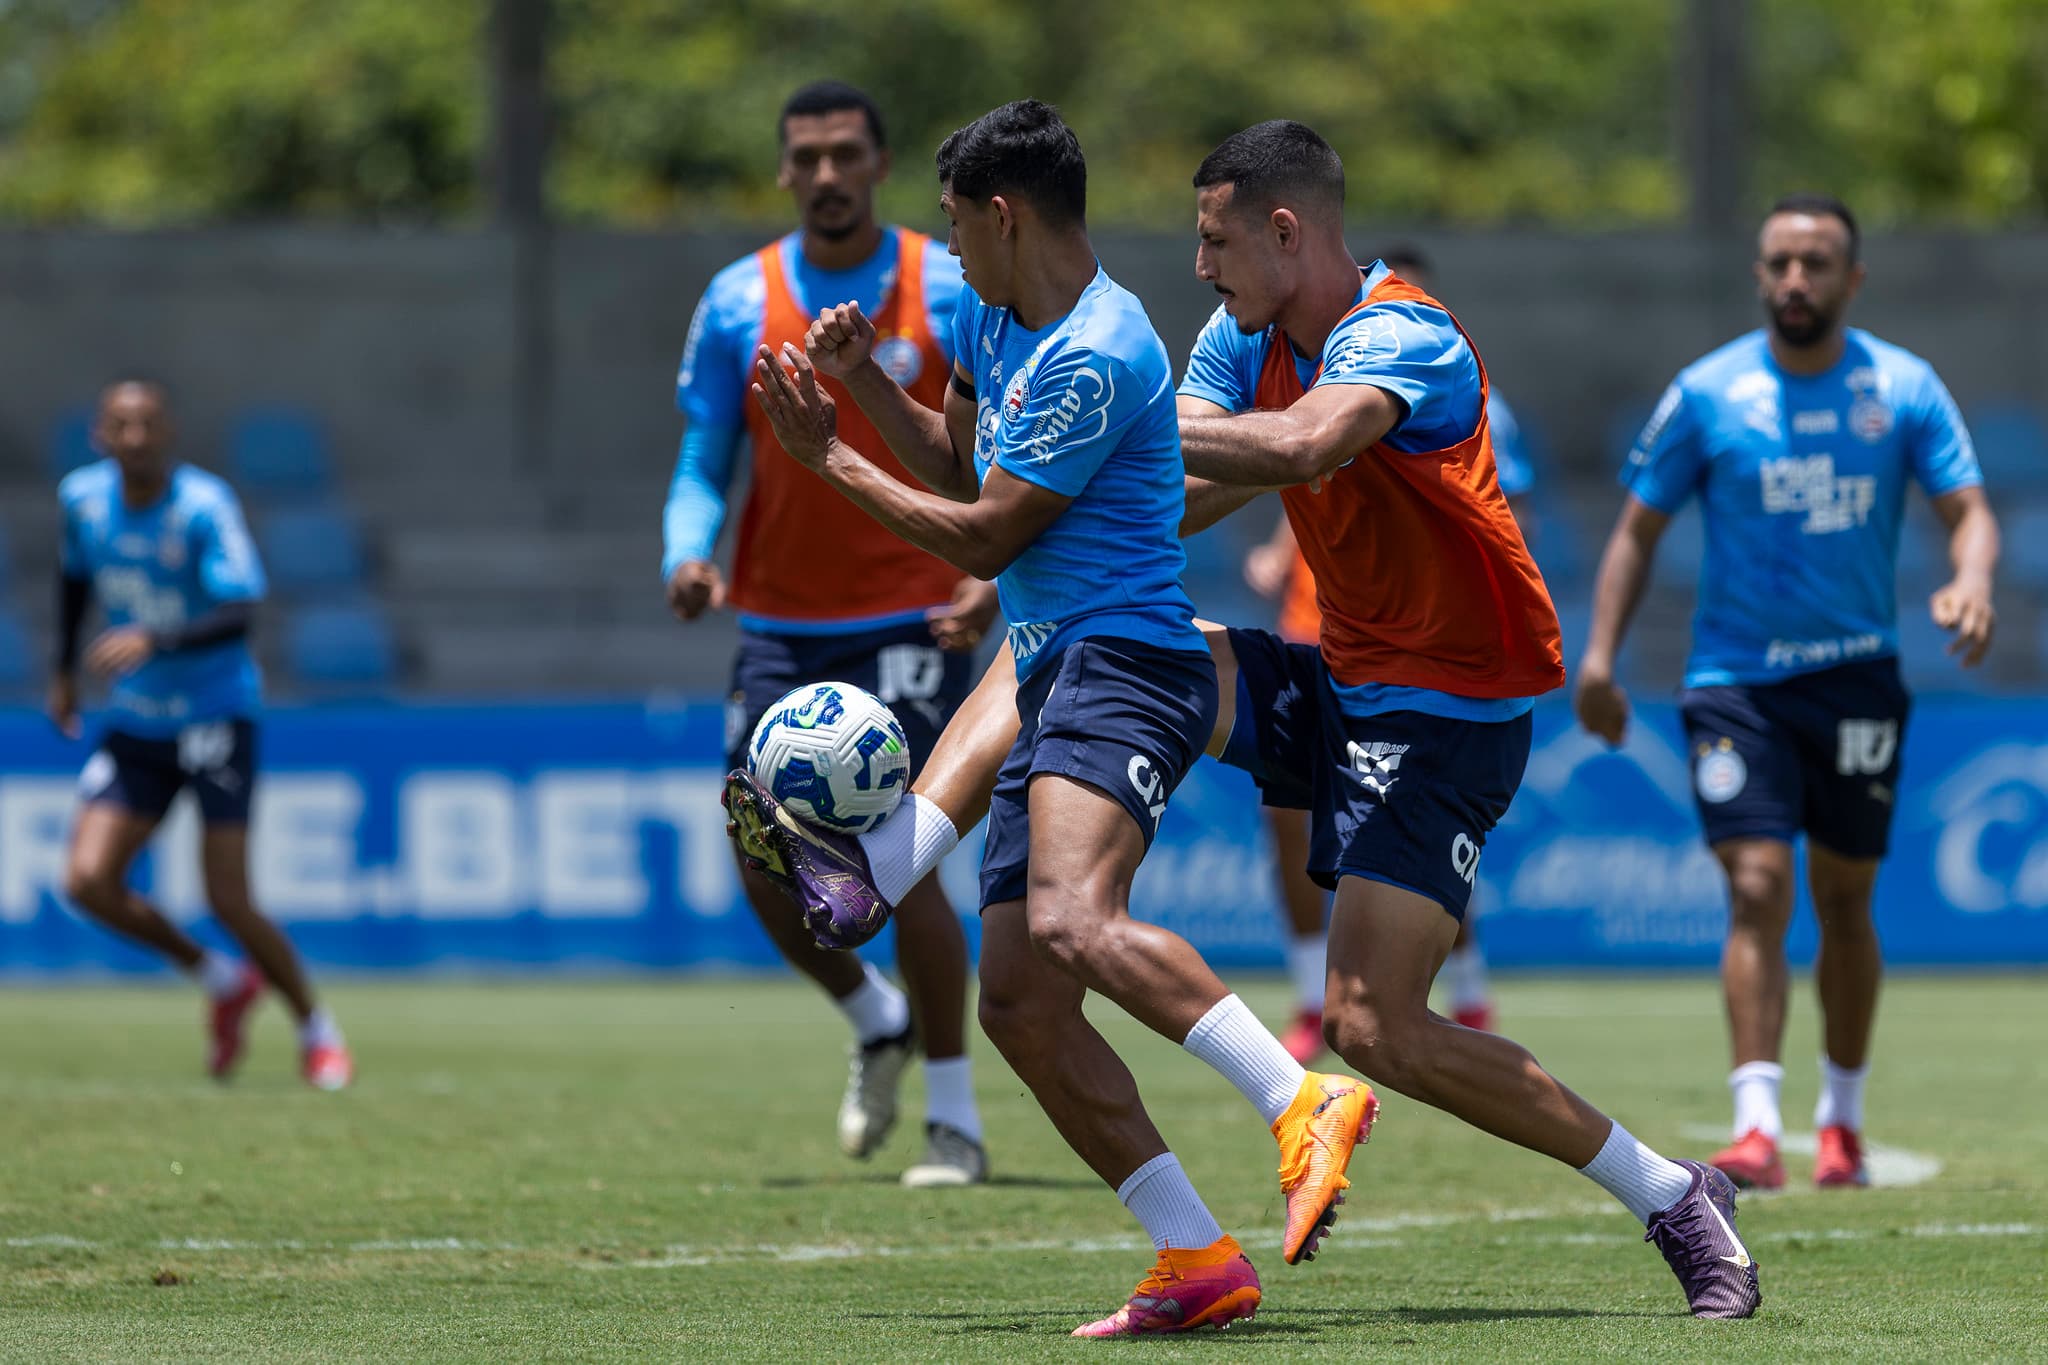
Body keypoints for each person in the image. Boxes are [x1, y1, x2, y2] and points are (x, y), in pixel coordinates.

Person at [740, 119, 1763, 1322]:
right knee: (1073, 636)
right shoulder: (1235, 337)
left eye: (1215, 240)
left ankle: (1669, 1194)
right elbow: (1174, 489)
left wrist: (1076, 421)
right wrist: (1025, 542)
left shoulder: (1404, 333)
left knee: (1374, 1027)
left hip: (1448, 707)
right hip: (1336, 675)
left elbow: (1301, 444)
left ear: (1284, 231)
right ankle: (887, 870)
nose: (1198, 266)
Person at [734, 99, 1374, 1337]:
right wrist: (865, 382)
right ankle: (1193, 1257)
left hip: (1129, 665)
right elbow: (962, 471)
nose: (945, 249)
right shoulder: (988, 312)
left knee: (1078, 923)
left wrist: (827, 462)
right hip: (1053, 666)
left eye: (953, 225)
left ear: (1000, 212)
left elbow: (983, 535)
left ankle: (1301, 1098)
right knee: (1019, 1003)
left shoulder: (1100, 348)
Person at [1576, 192, 1998, 1191]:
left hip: (1855, 676)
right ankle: (1756, 1124)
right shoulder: (1706, 392)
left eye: (1814, 263)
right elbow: (1635, 530)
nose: (1793, 281)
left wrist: (1970, 578)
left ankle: (1840, 1120)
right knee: (1755, 885)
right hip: (1733, 682)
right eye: (1777, 263)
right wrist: (1597, 658)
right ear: (1758, 274)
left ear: (1851, 279)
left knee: (1843, 897)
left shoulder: (1901, 387)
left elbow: (1967, 510)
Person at [662, 82, 996, 1188]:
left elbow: (987, 449)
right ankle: (873, 1018)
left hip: (910, 616)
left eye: (844, 153)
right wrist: (689, 550)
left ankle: (954, 1115)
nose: (824, 174)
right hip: (780, 624)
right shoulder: (734, 300)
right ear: (782, 171)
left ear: (879, 161)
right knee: (760, 852)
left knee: (896, 862)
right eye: (803, 156)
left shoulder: (946, 287)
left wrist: (976, 568)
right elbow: (705, 455)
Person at [1238, 242, 1526, 1059]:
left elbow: (1500, 506)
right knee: (1287, 823)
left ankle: (1462, 988)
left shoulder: (1455, 383)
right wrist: (1274, 549)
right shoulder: (1298, 373)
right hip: (1315, 634)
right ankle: (1305, 994)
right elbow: (1299, 466)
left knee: (1404, 847)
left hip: (1422, 660)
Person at [49, 377, 352, 1090]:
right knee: (88, 881)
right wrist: (63, 669)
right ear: (100, 435)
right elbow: (73, 580)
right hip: (139, 722)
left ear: (168, 432)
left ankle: (316, 1026)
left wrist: (156, 636)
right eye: (120, 425)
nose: (135, 438)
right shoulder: (82, 500)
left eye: (147, 424)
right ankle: (221, 979)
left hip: (217, 717)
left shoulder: (203, 506)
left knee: (228, 897)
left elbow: (240, 610)